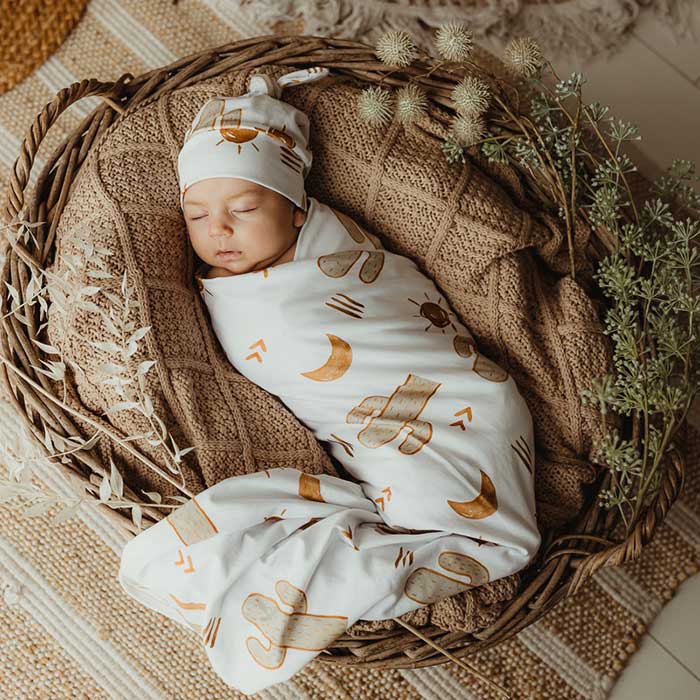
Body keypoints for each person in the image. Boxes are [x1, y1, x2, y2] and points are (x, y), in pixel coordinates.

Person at [118, 66, 542, 696]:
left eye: (242, 208)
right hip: (369, 423)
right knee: (412, 497)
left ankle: (431, 539)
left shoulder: (336, 248)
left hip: (457, 397)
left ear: (296, 211)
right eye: (197, 214)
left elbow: (398, 304)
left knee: (440, 500)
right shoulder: (229, 291)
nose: (218, 231)